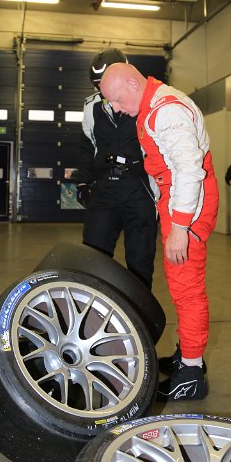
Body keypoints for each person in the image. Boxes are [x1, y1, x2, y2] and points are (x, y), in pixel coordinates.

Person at [100, 63, 219, 402]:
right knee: (180, 284)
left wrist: (180, 226)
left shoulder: (167, 111)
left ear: (132, 83)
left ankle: (192, 375)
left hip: (189, 206)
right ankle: (187, 355)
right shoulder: (151, 106)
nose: (116, 109)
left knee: (186, 288)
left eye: (117, 100)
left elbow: (189, 169)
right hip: (177, 201)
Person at [76, 49, 158, 290]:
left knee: (140, 262)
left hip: (139, 188)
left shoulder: (148, 102)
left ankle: (138, 311)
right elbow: (86, 146)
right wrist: (83, 182)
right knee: (93, 256)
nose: (102, 90)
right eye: (97, 85)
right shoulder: (91, 107)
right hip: (104, 188)